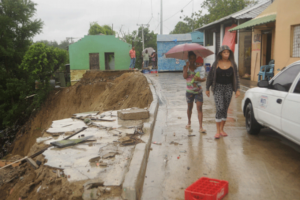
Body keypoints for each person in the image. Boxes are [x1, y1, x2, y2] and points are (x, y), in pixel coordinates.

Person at [206, 45, 240, 139]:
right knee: (220, 107)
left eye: (228, 52)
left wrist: (237, 89)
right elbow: (210, 77)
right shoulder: (216, 63)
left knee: (225, 109)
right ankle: (217, 130)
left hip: (228, 88)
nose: (226, 54)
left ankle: (222, 129)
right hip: (218, 88)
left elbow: (236, 77)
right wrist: (207, 88)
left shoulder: (233, 63)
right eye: (224, 52)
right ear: (221, 53)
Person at [183, 51, 206, 133]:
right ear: (188, 59)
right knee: (190, 107)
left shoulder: (199, 67)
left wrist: (198, 79)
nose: (192, 60)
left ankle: (200, 126)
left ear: (195, 59)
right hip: (189, 91)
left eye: (193, 58)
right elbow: (185, 76)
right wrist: (187, 67)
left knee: (199, 107)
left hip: (198, 91)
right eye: (190, 58)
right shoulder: (185, 67)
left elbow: (204, 79)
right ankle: (189, 122)